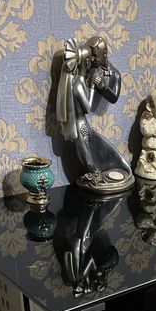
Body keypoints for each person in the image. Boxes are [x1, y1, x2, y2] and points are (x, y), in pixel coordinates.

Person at [56, 36, 134, 193]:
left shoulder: (115, 74)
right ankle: (96, 172)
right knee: (88, 154)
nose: (92, 60)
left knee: (97, 149)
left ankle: (109, 169)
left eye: (95, 56)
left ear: (104, 53)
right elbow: (83, 97)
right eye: (90, 57)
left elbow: (114, 98)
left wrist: (102, 86)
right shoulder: (87, 71)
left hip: (83, 121)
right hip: (81, 122)